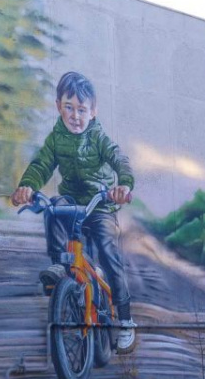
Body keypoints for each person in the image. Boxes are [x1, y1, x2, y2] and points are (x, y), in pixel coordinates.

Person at [11, 71, 136, 353]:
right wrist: (27, 186)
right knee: (54, 209)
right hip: (73, 203)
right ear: (59, 106)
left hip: (100, 204)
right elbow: (42, 164)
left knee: (108, 250)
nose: (75, 116)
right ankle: (60, 264)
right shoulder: (57, 139)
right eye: (69, 107)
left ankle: (126, 318)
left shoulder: (98, 138)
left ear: (93, 112)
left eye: (82, 110)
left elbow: (119, 160)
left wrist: (123, 186)